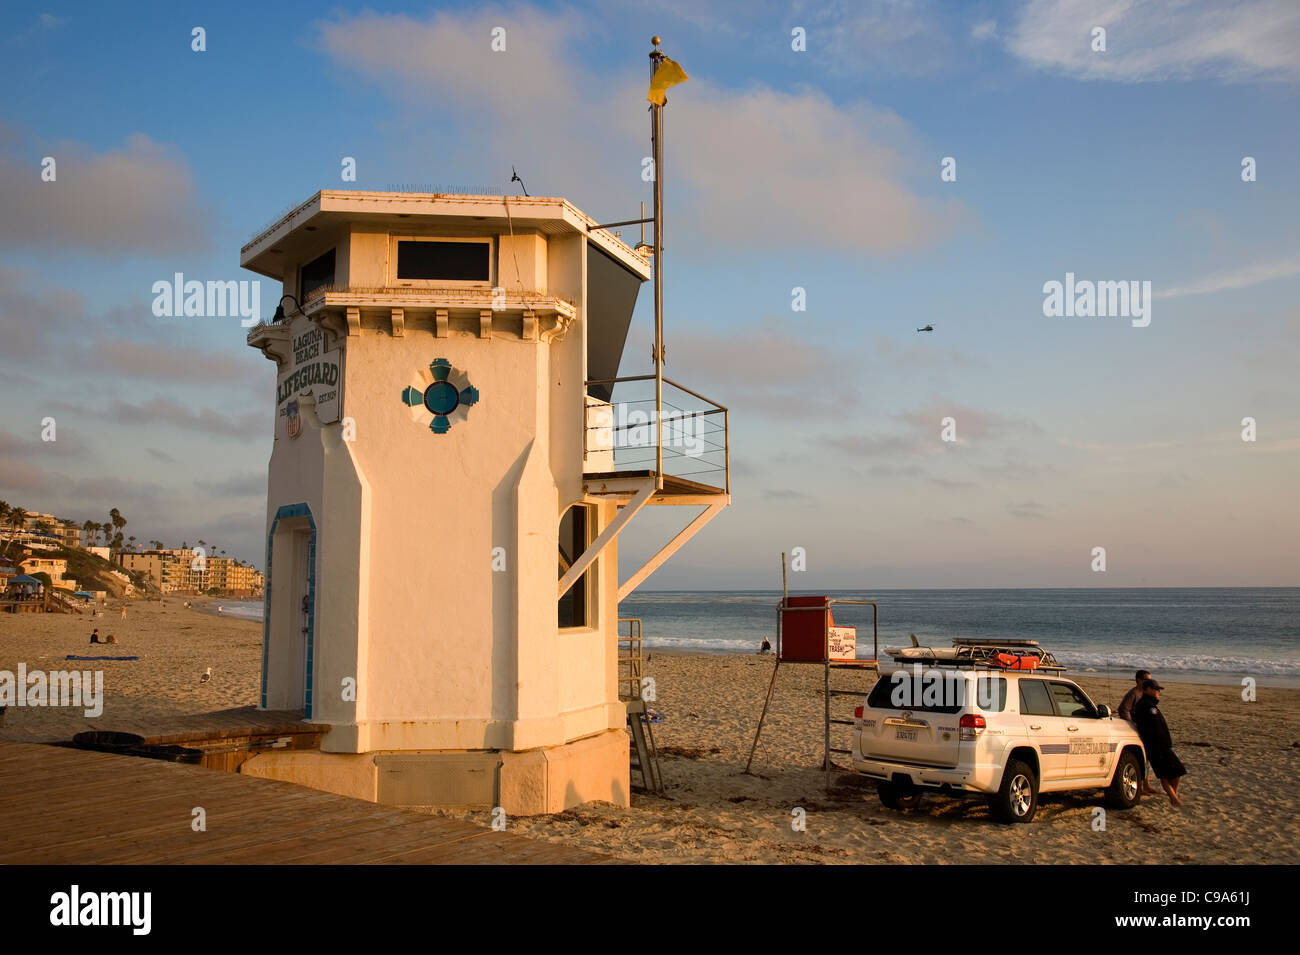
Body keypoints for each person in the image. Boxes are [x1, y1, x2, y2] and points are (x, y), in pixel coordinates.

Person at [1133, 680, 1186, 806]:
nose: (1158, 692)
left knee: (1177, 771)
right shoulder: (1144, 705)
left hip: (1163, 745)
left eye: (1158, 689)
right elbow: (1149, 727)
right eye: (1155, 689)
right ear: (1146, 689)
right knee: (1166, 774)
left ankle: (1174, 794)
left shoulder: (1150, 705)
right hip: (1155, 746)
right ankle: (1173, 798)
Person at [1119, 669, 1157, 795]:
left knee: (1147, 758)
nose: (1149, 682)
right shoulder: (1134, 693)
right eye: (1147, 679)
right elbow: (1123, 709)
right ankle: (1140, 786)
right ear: (1139, 680)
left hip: (1145, 729)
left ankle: (1146, 785)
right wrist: (1132, 723)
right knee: (1140, 758)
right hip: (1136, 730)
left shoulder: (1145, 693)